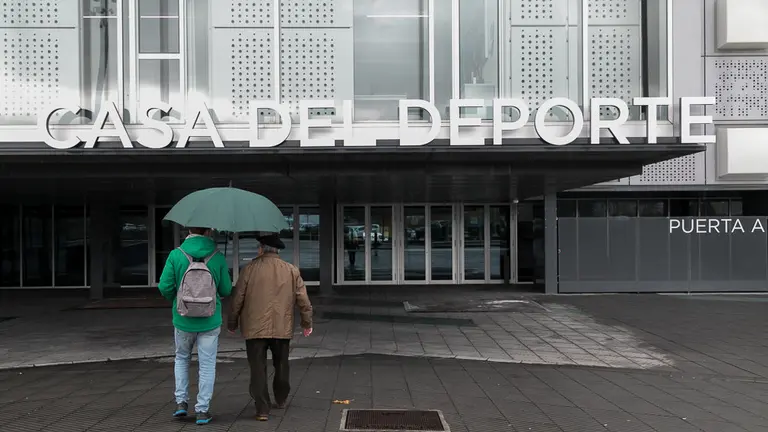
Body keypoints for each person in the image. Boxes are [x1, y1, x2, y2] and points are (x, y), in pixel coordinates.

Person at [227, 233, 313, 421]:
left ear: (261, 249)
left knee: (257, 368)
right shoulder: (291, 270)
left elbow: (237, 299)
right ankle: (281, 398)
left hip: (254, 328)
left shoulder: (248, 269)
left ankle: (262, 409)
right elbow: (303, 300)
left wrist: (232, 322)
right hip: (282, 327)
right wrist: (307, 323)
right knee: (282, 364)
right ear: (277, 251)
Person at [158, 227, 232, 425]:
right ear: (209, 231)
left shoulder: (176, 254)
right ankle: (202, 410)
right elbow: (226, 289)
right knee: (207, 365)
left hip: (183, 319)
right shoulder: (217, 256)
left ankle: (181, 403)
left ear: (188, 229)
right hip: (210, 319)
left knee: (182, 358)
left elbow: (164, 286)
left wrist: (178, 301)